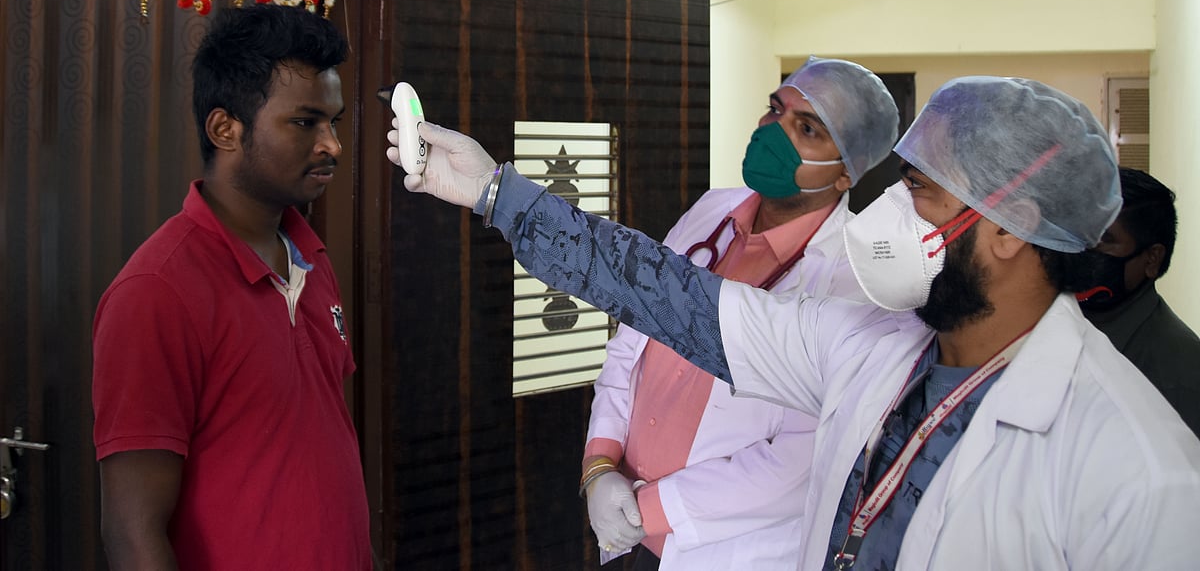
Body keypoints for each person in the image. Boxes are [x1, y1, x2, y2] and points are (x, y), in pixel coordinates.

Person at [390, 75, 1200, 569]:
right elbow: (668, 296)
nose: (888, 211)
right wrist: (499, 194)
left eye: (920, 190)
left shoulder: (1140, 469)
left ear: (1010, 226)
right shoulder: (868, 350)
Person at [582, 57, 898, 569]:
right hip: (622, 527)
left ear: (845, 174)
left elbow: (800, 460)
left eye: (807, 129)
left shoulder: (855, 281)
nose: (775, 132)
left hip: (711, 549)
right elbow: (631, 341)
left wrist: (646, 509)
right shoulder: (712, 212)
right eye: (777, 110)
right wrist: (599, 464)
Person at [92, 5, 371, 570]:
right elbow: (132, 532)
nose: (332, 146)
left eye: (334, 122)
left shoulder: (311, 258)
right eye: (305, 122)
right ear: (226, 129)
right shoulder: (157, 292)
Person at [1079, 167, 1200, 436]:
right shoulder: (1059, 321)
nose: (1085, 250)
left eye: (1104, 240)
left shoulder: (1180, 376)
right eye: (1083, 234)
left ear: (1152, 259)